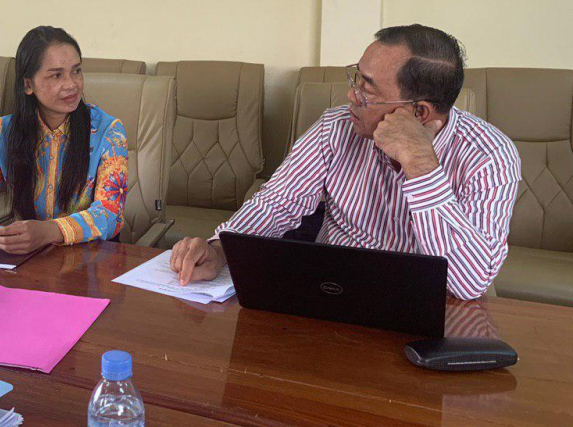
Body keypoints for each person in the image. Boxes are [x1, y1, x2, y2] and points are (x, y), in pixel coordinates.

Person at [170, 24, 521, 300]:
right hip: (332, 294)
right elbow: (276, 204)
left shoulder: (489, 155)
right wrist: (221, 249)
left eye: (368, 88)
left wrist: (420, 163)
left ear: (419, 113)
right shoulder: (335, 127)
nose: (351, 94)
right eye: (357, 77)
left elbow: (468, 283)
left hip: (425, 309)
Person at [0, 26, 129, 254]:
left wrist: (50, 231)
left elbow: (110, 214)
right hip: (26, 258)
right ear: (28, 84)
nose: (72, 84)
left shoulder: (109, 133)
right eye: (57, 75)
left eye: (77, 71)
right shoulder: (7, 133)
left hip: (90, 261)